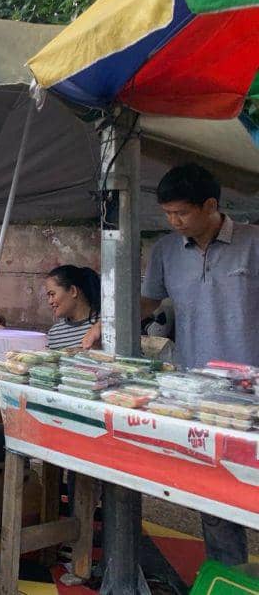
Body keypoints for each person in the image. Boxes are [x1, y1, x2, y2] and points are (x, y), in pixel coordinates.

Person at [137, 163, 258, 565]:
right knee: (216, 491)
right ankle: (229, 572)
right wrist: (106, 317)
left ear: (210, 205)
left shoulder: (253, 243)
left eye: (182, 213)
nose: (173, 222)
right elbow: (148, 302)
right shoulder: (167, 251)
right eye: (167, 214)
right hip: (197, 392)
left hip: (253, 390)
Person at [44, 265, 101, 350]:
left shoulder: (106, 325)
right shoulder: (55, 334)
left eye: (52, 294)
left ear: (73, 291)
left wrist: (101, 326)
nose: (50, 302)